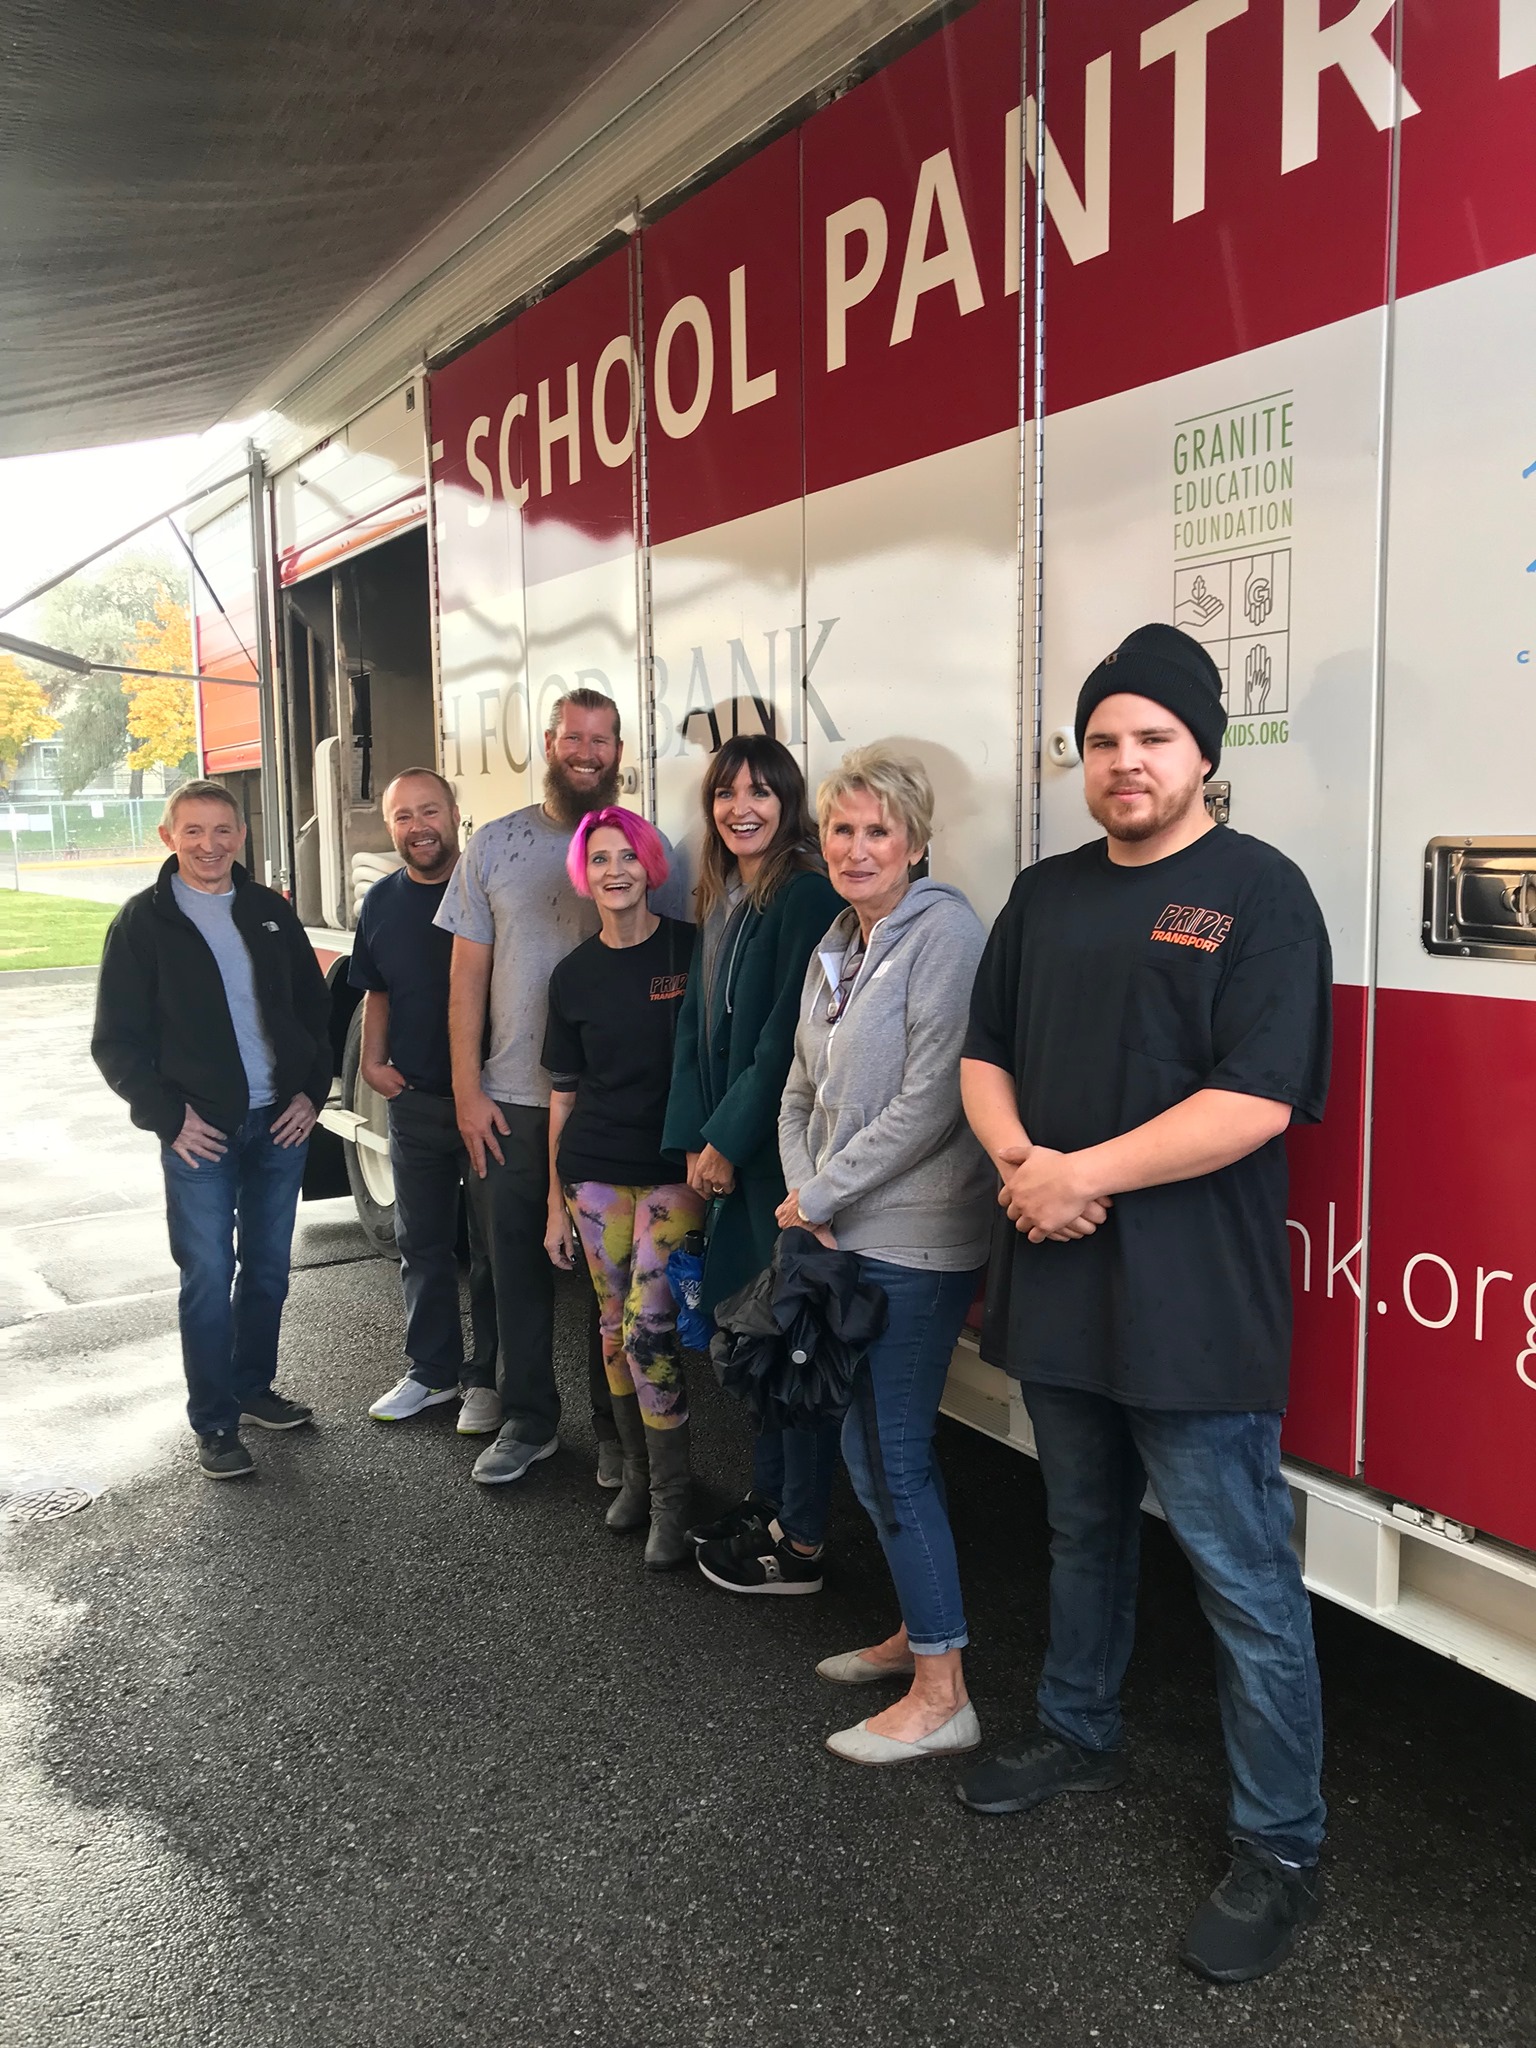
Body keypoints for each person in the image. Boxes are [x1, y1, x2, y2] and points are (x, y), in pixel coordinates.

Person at [958, 622, 1333, 1985]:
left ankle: (1283, 1845)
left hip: (1194, 1303)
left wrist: (1075, 1176)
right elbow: (984, 1052)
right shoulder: (1048, 895)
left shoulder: (1261, 893)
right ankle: (1076, 1726)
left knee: (1241, 1580)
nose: (1125, 762)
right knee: (1080, 1530)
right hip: (1060, 1278)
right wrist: (1021, 1168)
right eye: (1104, 740)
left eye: (1153, 739)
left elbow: (1256, 1098)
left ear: (1203, 754)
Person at [778, 747, 994, 1760]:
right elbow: (797, 1088)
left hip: (915, 1238)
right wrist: (803, 1196)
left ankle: (945, 1691)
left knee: (892, 1453)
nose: (858, 847)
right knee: (871, 1447)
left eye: (878, 830)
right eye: (843, 829)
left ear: (914, 841)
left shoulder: (943, 932)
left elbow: (935, 1097)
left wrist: (821, 1192)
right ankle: (920, 1626)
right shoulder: (835, 939)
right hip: (837, 1230)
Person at [437, 687, 685, 1486]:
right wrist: (467, 1092)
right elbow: (465, 978)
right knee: (517, 1265)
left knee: (607, 1282)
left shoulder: (639, 844)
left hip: (611, 1110)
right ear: (550, 743)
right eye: (574, 737)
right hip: (513, 1098)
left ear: (619, 752)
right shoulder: (498, 846)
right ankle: (529, 1420)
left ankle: (615, 1433)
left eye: (603, 739)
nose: (587, 751)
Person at [92, 780, 331, 1481]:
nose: (210, 844)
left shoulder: (267, 912)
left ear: (242, 836)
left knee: (267, 1270)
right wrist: (169, 1119)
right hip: (203, 1132)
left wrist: (312, 1093)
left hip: (279, 1124)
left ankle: (252, 1388)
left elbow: (314, 1012)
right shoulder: (143, 924)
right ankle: (216, 1421)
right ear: (169, 838)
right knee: (206, 1275)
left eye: (222, 829)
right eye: (193, 831)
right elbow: (117, 1042)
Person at [661, 734, 842, 1595]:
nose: (743, 807)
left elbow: (783, 1040)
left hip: (778, 1159)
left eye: (762, 793)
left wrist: (728, 1141)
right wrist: (695, 1138)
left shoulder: (802, 893)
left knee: (786, 1349)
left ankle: (796, 1534)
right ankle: (765, 1502)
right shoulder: (726, 892)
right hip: (731, 1155)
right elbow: (699, 1022)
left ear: (788, 803)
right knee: (753, 1340)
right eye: (728, 792)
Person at [542, 808, 701, 1567]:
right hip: (594, 1167)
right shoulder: (572, 976)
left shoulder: (689, 950)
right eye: (599, 858)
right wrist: (551, 1203)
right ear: (585, 874)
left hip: (673, 1169)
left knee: (649, 1323)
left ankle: (674, 1499)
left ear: (650, 867)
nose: (615, 870)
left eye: (627, 856)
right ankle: (637, 1480)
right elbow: (564, 1095)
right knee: (612, 1323)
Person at [350, 769, 500, 1436]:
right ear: (391, 828)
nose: (418, 827)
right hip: (415, 1103)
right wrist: (370, 1061)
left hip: (491, 1104)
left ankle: (488, 1382)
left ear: (455, 814)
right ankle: (432, 1373)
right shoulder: (382, 901)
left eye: (429, 811)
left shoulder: (487, 892)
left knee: (495, 1250)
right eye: (404, 816)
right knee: (424, 1245)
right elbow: (376, 990)